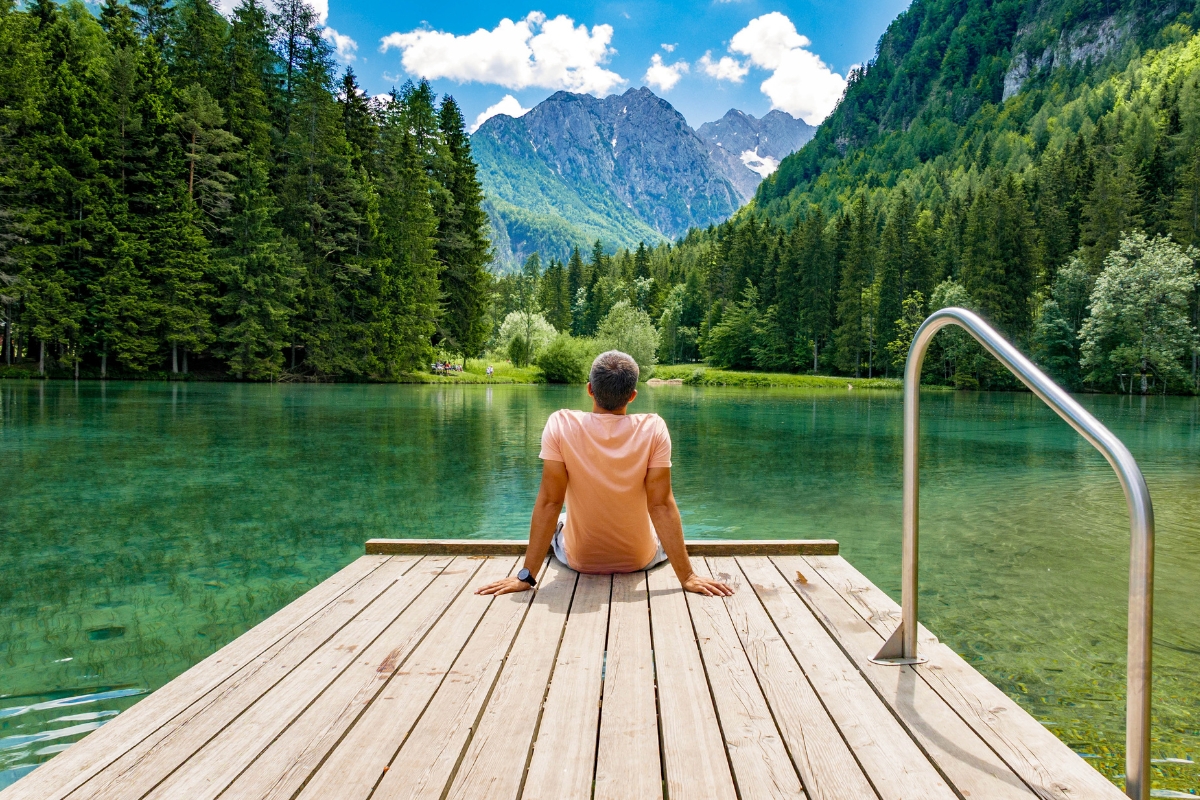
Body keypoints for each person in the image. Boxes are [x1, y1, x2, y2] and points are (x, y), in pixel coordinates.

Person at [476, 350, 733, 597]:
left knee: (560, 519)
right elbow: (661, 506)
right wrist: (688, 577)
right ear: (632, 396)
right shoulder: (654, 428)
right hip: (639, 559)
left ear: (589, 389)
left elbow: (550, 502)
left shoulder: (560, 424)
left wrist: (525, 576)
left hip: (580, 560)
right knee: (657, 524)